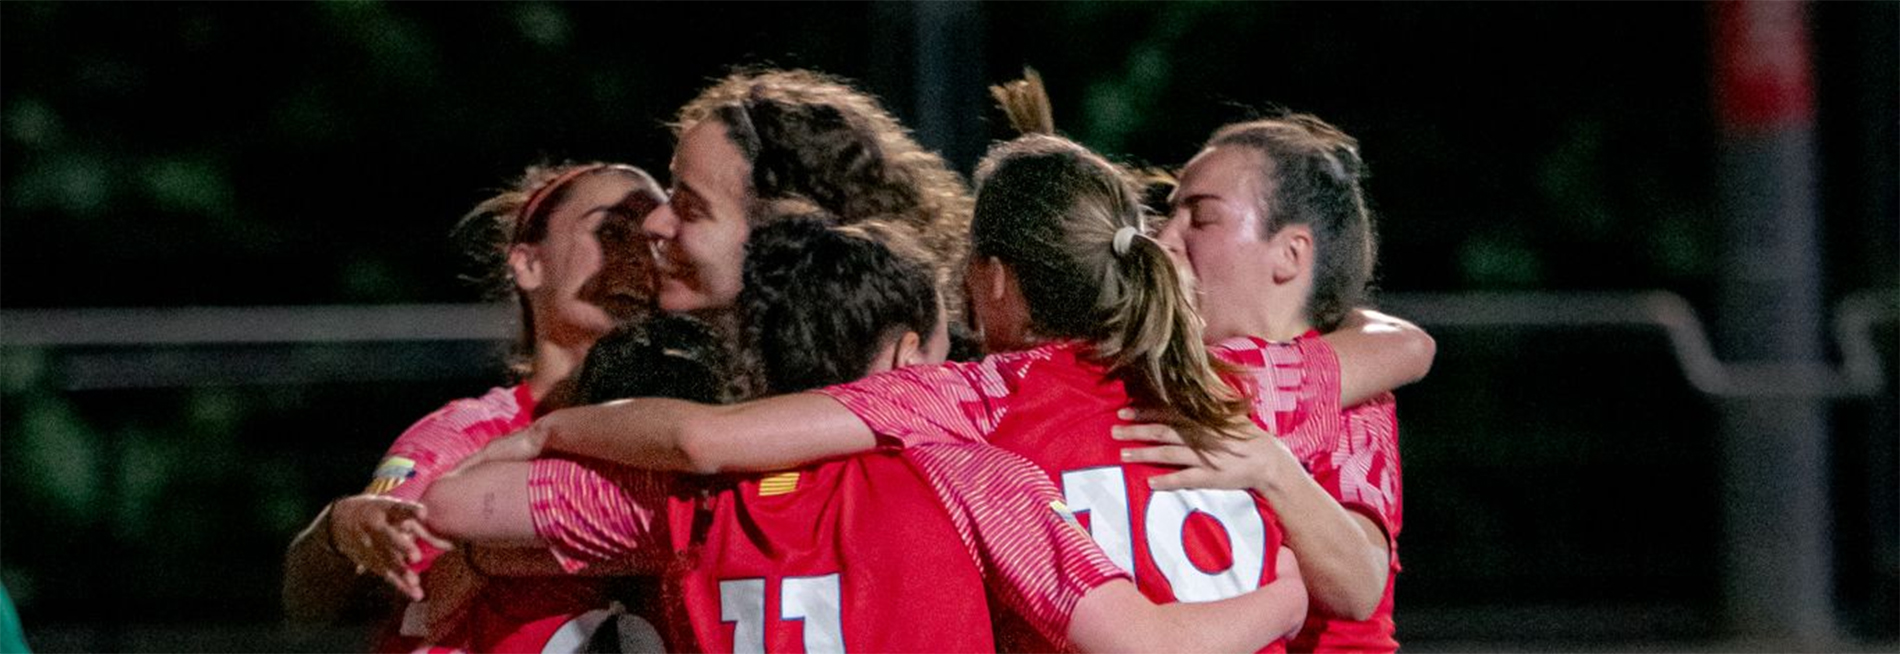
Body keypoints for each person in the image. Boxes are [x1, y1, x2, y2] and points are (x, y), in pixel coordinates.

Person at [448, 132, 1332, 652]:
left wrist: (553, 436)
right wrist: (1294, 591)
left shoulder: (963, 415)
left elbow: (699, 443)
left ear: (992, 280)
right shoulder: (1242, 385)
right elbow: (1356, 579)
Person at [281, 162, 665, 651]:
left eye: (653, 240)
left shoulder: (685, 435)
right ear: (529, 264)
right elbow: (313, 605)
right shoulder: (464, 438)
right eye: (610, 231)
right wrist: (340, 529)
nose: (636, 257)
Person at [1131, 113, 1423, 652]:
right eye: (1168, 213)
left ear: (1290, 254)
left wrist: (1272, 469)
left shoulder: (1354, 397)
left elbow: (1360, 585)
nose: (1164, 238)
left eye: (1202, 217)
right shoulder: (1350, 363)